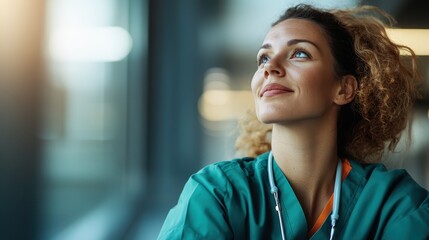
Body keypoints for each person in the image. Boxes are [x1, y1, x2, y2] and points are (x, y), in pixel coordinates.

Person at [158, 4, 429, 239]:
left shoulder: (394, 204)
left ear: (344, 89)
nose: (269, 67)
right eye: (263, 57)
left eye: (300, 53)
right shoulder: (217, 194)